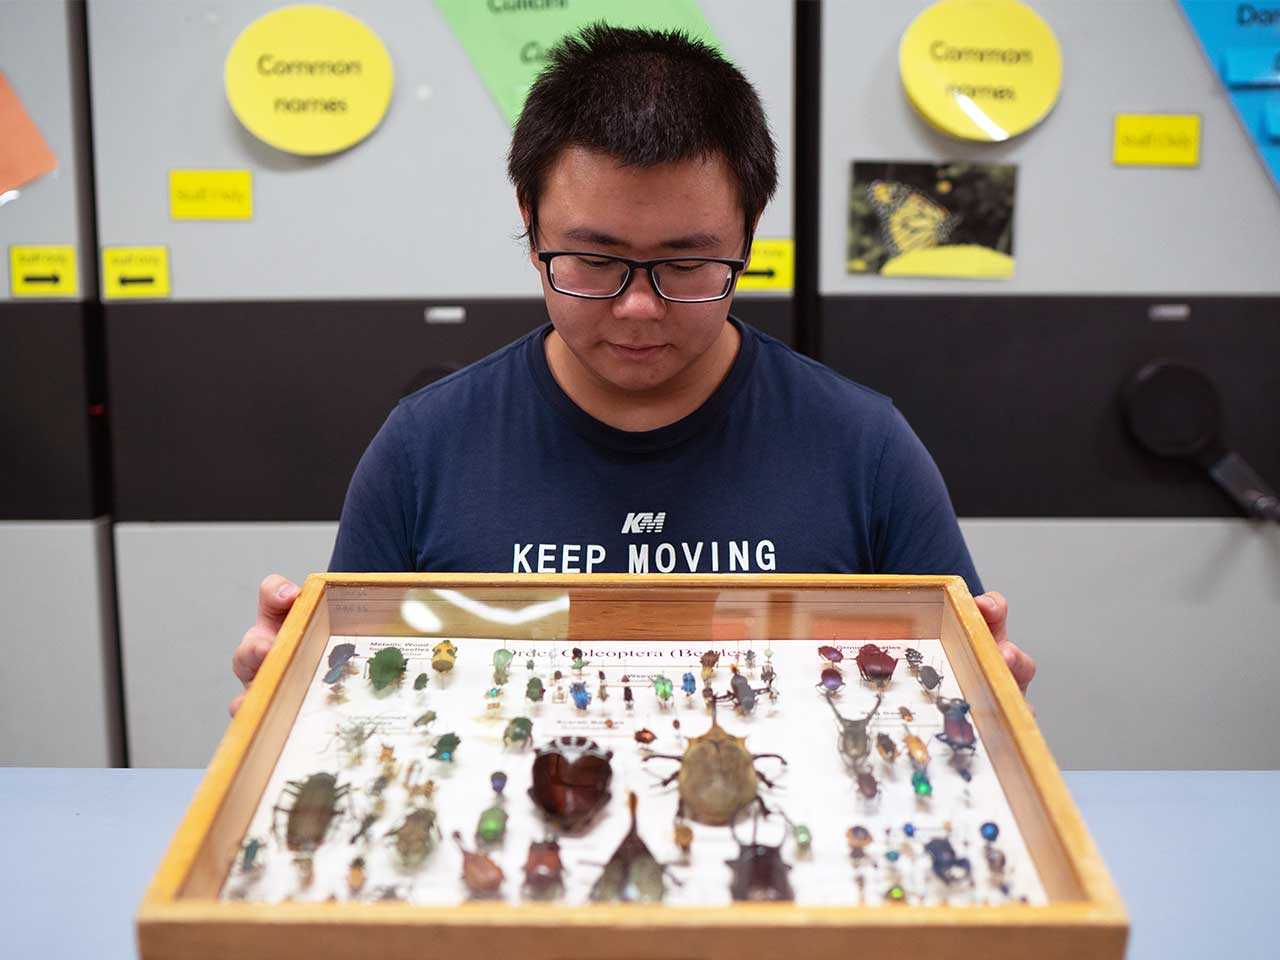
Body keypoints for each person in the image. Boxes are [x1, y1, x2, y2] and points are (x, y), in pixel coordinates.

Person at [230, 24, 1035, 717]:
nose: (640, 308)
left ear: (749, 231)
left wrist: (985, 710)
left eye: (686, 264)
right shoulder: (422, 449)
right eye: (594, 260)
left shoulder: (864, 447)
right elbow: (363, 697)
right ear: (530, 222)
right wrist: (299, 708)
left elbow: (950, 696)